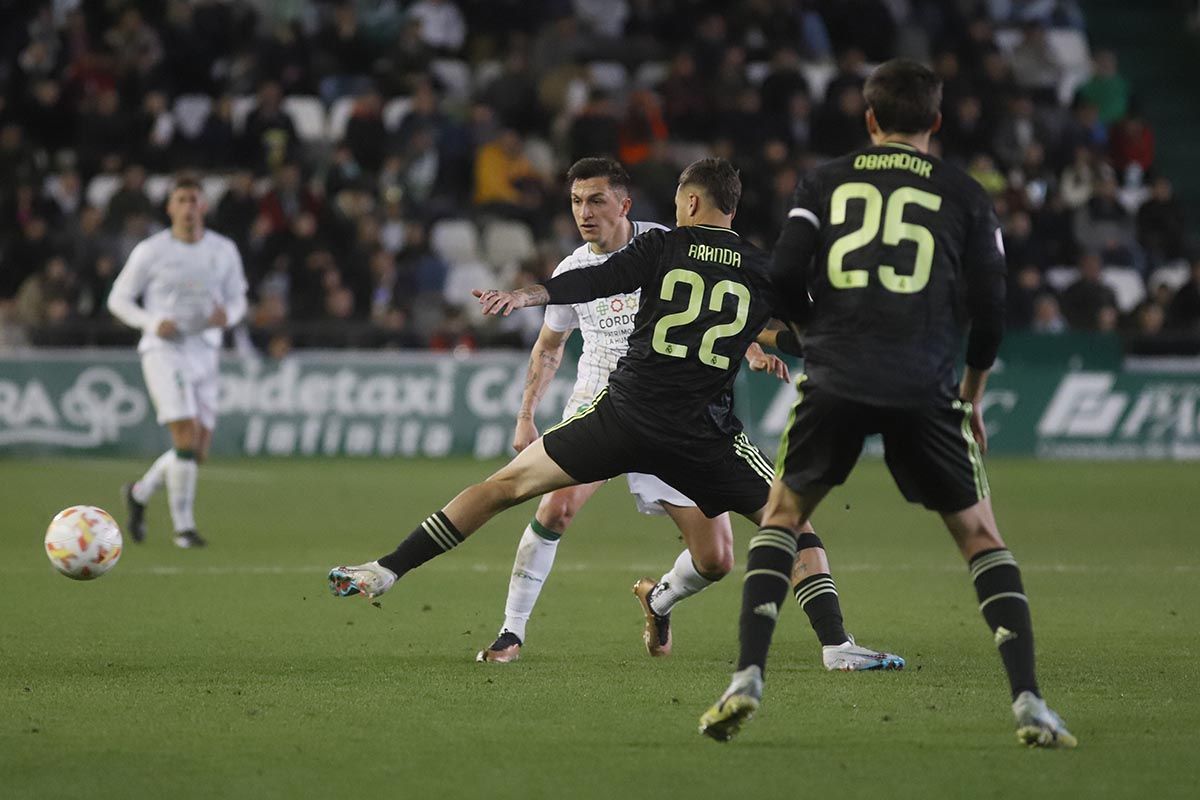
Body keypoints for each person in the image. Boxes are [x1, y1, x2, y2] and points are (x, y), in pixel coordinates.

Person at [328, 159, 902, 675]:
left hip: (625, 415)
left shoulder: (662, 248)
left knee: (506, 487)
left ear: (693, 204)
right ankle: (836, 646)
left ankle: (388, 569)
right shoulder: (764, 270)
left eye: (680, 201)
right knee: (791, 523)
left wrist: (533, 294)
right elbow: (807, 335)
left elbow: (594, 280)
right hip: (702, 433)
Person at [698, 60, 1076, 749]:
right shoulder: (967, 195)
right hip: (925, 384)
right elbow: (991, 312)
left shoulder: (825, 180)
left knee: (782, 519)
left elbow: (782, 275)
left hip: (836, 378)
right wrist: (971, 398)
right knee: (981, 539)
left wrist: (817, 333)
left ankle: (746, 678)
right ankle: (1028, 703)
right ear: (935, 122)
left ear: (869, 120)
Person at [107, 176, 249, 548]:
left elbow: (238, 300)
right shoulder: (151, 251)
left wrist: (228, 316)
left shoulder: (223, 250)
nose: (188, 207)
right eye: (181, 200)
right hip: (164, 350)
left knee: (197, 451)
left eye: (194, 200)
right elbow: (118, 300)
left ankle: (139, 493)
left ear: (204, 206)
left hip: (205, 350)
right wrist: (151, 322)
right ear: (170, 208)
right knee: (184, 435)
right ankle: (184, 529)